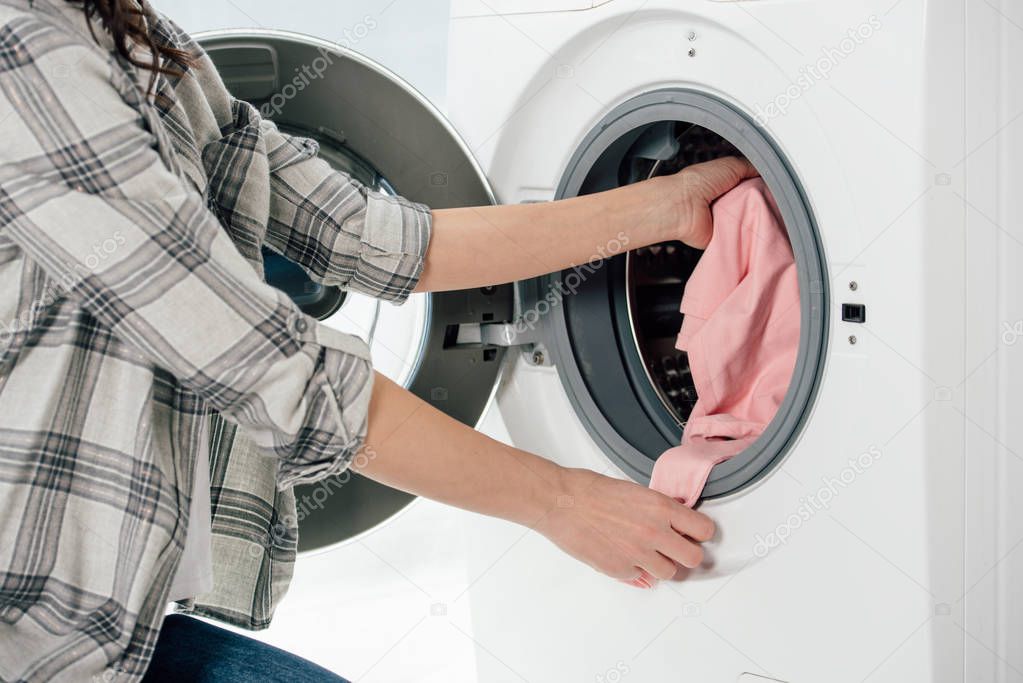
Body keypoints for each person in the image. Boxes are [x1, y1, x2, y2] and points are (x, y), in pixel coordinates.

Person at [0, 0, 758, 680]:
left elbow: (369, 235)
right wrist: (559, 500)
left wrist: (663, 206)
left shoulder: (133, 39)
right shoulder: (23, 52)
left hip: (101, 626)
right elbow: (266, 369)